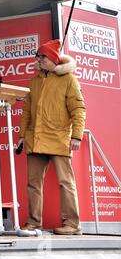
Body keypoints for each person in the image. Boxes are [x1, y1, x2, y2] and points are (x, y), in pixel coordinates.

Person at [18, 39, 86, 235]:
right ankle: (33, 223)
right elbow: (27, 112)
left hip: (59, 139)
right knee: (33, 184)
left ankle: (72, 224)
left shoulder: (69, 80)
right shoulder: (35, 81)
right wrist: (22, 135)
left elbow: (78, 109)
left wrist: (77, 136)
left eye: (43, 57)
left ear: (54, 59)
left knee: (66, 183)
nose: (39, 60)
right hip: (35, 140)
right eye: (38, 57)